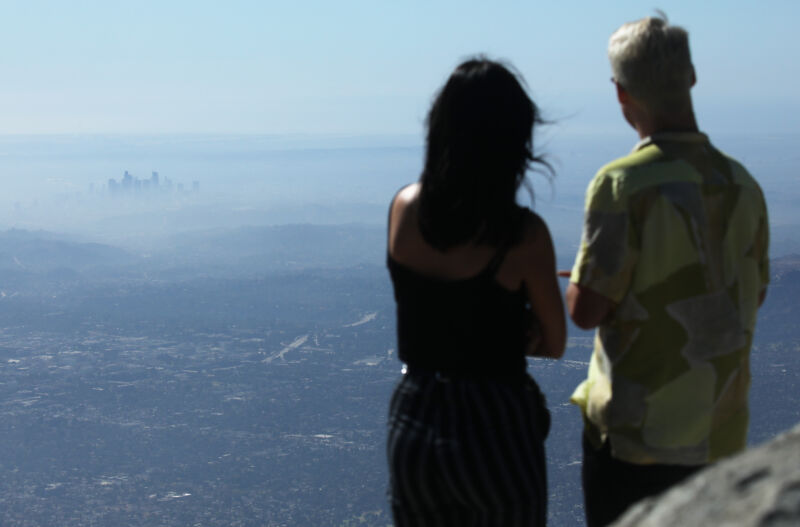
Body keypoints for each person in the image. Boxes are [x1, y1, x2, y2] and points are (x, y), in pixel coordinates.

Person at [566, 14, 770, 527]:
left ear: (621, 93)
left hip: (637, 441)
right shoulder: (743, 186)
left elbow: (587, 311)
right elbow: (751, 291)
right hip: (720, 437)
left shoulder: (622, 185)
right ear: (692, 77)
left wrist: (573, 281)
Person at [386, 58, 566, 526]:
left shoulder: (403, 210)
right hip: (495, 427)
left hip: (416, 417)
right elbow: (555, 340)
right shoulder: (523, 236)